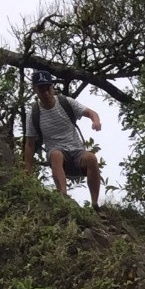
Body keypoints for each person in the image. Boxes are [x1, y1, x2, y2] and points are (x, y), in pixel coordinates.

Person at [22, 70, 103, 211]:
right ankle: (63, 198)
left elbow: (90, 112)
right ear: (35, 90)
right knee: (55, 155)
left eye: (48, 88)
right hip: (57, 153)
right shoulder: (34, 113)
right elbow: (30, 144)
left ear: (53, 88)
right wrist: (27, 170)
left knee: (91, 158)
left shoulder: (65, 102)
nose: (46, 93)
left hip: (77, 152)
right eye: (42, 90)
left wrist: (95, 121)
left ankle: (95, 204)